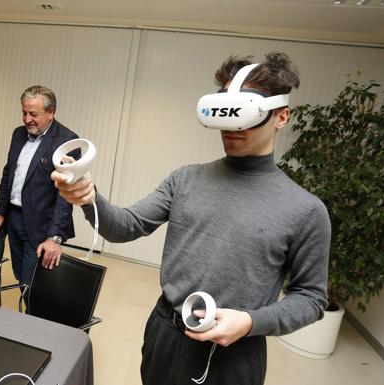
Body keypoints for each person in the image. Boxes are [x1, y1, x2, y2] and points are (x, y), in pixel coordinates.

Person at [52, 53, 331, 385]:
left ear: (281, 116)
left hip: (236, 353)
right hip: (165, 334)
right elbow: (125, 226)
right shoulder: (185, 179)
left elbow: (311, 299)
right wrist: (89, 197)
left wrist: (251, 321)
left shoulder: (306, 210)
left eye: (246, 111)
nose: (232, 124)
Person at [0, 85, 78, 286]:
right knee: (20, 276)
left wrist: (54, 237)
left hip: (41, 224)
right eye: (24, 112)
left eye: (33, 114)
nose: (27, 119)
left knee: (31, 282)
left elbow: (65, 196)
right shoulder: (18, 134)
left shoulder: (67, 141)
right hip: (13, 217)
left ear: (51, 112)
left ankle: (31, 317)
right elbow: (8, 174)